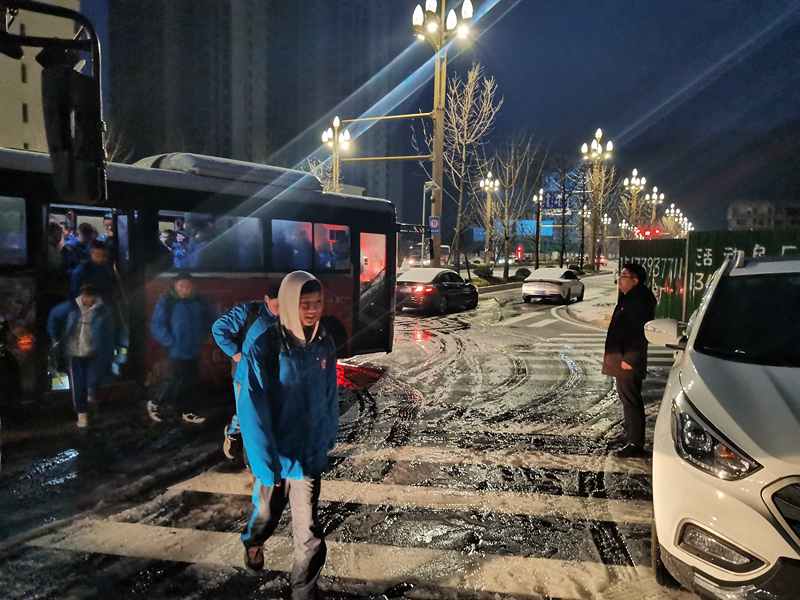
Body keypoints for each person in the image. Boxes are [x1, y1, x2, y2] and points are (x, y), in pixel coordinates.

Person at [239, 272, 338, 599]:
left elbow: (329, 392)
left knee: (308, 533)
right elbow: (252, 406)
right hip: (275, 455)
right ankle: (254, 541)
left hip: (308, 454)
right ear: (289, 303)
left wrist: (328, 432)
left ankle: (302, 592)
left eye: (317, 303)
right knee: (266, 514)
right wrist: (264, 463)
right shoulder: (266, 345)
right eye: (304, 303)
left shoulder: (324, 342)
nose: (312, 310)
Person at [211, 282, 280, 460]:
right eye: (277, 305)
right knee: (248, 415)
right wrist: (234, 352)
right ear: (267, 299)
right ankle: (242, 446)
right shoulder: (249, 312)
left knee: (267, 414)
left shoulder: (289, 317)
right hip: (245, 375)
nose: (281, 311)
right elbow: (218, 328)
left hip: (272, 375)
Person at [602, 263, 657, 458]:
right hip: (621, 357)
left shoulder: (639, 300)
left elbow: (638, 333)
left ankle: (635, 443)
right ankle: (629, 434)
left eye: (624, 275)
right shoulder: (631, 297)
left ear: (635, 280)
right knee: (626, 398)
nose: (620, 279)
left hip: (627, 359)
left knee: (631, 399)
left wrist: (630, 359)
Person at [148, 273, 216, 424]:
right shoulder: (167, 301)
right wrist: (169, 341)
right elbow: (157, 324)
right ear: (175, 287)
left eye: (187, 286)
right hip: (176, 350)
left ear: (192, 287)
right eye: (181, 286)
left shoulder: (200, 302)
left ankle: (186, 411)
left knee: (191, 382)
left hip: (194, 349)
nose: (185, 289)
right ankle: (155, 403)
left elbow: (211, 319)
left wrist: (204, 336)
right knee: (174, 379)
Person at [47, 284, 114, 429]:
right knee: (78, 384)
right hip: (74, 352)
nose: (86, 299)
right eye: (84, 296)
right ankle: (82, 414)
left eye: (90, 296)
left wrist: (109, 352)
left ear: (95, 297)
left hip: (94, 352)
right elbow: (54, 315)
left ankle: (91, 403)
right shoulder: (70, 307)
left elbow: (109, 333)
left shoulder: (103, 311)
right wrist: (55, 336)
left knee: (93, 381)